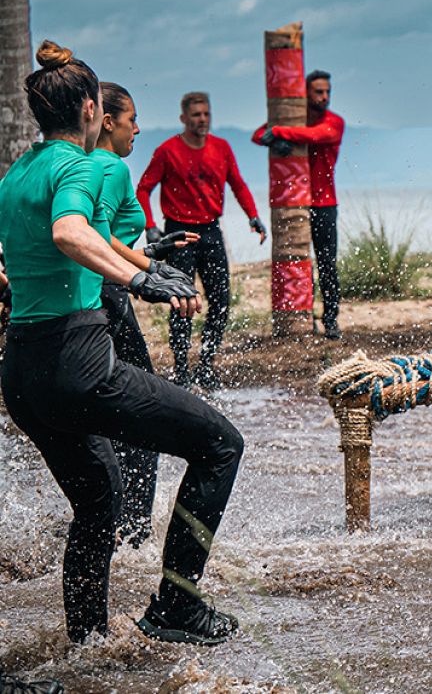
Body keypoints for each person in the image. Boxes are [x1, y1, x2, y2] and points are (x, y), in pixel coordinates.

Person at [0, 42, 244, 646]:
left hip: (21, 372)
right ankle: (177, 608)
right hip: (78, 363)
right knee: (219, 445)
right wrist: (139, 279)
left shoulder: (16, 173)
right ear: (91, 109)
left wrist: (141, 262)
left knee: (98, 502)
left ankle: (86, 646)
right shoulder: (78, 165)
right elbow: (71, 231)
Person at [92, 82, 199, 548]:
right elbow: (93, 238)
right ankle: (131, 534)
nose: (138, 127)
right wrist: (149, 270)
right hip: (109, 302)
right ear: (107, 120)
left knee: (111, 419)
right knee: (142, 424)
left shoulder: (89, 166)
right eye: (131, 118)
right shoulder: (109, 165)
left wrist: (150, 251)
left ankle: (113, 524)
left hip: (102, 298)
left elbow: (106, 238)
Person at [137, 91, 265, 389]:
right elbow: (143, 189)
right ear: (184, 118)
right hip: (179, 233)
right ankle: (181, 369)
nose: (202, 119)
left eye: (206, 114)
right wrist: (152, 227)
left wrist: (253, 216)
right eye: (196, 115)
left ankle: (206, 364)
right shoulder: (168, 150)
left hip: (210, 231)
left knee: (220, 300)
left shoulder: (221, 148)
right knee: (181, 300)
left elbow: (238, 184)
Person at [251, 69, 346, 339]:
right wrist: (275, 141)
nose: (324, 97)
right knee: (298, 263)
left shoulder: (334, 122)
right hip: (295, 204)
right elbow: (257, 135)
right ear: (306, 94)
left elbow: (315, 136)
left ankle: (331, 320)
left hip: (324, 203)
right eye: (318, 92)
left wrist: (280, 134)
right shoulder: (296, 120)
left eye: (328, 91)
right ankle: (303, 319)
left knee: (327, 262)